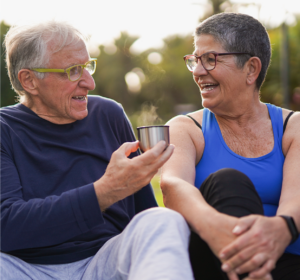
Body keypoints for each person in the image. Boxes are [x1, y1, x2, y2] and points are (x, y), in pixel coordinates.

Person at [0, 21, 194, 280]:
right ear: (29, 80)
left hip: (105, 261)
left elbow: (144, 213)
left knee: (162, 221)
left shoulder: (108, 114)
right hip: (24, 269)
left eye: (87, 67)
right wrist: (104, 192)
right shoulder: (4, 129)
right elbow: (7, 225)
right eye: (73, 71)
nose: (89, 83)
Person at [160, 12, 300, 280]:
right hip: (217, 263)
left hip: (287, 261)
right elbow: (172, 186)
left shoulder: (295, 127)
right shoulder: (185, 128)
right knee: (227, 181)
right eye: (195, 61)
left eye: (210, 59)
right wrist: (221, 231)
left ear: (251, 69)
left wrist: (280, 231)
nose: (198, 72)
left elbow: (296, 200)